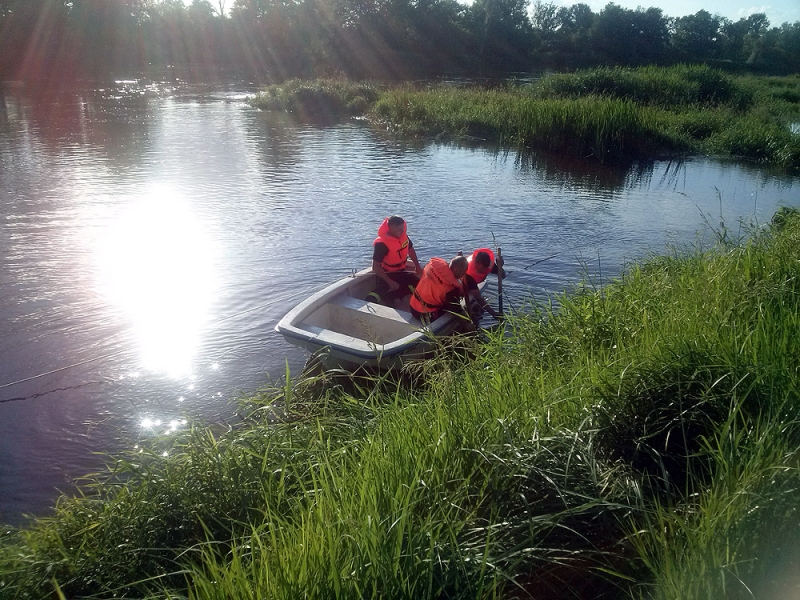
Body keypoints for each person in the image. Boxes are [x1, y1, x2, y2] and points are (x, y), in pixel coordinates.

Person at [372, 215, 424, 306]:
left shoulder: (403, 236)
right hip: (386, 273)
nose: (402, 231)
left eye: (403, 228)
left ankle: (390, 296)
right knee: (378, 292)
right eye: (399, 229)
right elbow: (375, 267)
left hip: (400, 271)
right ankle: (369, 304)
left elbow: (410, 250)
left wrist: (417, 266)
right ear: (391, 228)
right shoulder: (382, 244)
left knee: (420, 285)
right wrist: (390, 282)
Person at [410, 255, 470, 324]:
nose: (464, 274)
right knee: (451, 309)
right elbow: (456, 311)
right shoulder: (451, 288)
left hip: (412, 306)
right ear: (456, 269)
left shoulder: (433, 265)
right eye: (464, 271)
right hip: (425, 315)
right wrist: (468, 323)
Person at [464, 247, 504, 324]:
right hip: (464, 284)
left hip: (474, 282)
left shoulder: (488, 265)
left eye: (484, 268)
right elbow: (479, 299)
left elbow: (503, 275)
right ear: (476, 262)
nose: (482, 271)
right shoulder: (468, 273)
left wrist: (500, 265)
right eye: (481, 268)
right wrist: (494, 314)